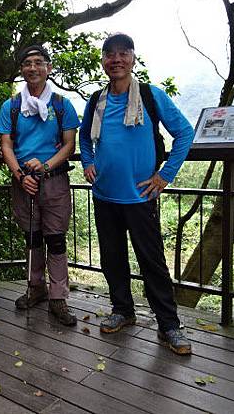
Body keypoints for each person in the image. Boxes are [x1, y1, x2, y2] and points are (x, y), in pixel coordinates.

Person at [79, 33, 195, 354]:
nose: (115, 59)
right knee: (112, 258)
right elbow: (85, 138)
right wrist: (87, 163)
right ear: (103, 61)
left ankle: (169, 325)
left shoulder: (149, 95)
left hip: (141, 197)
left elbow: (185, 132)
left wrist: (165, 175)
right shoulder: (96, 101)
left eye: (122, 53)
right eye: (109, 54)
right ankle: (123, 311)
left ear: (132, 58)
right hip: (104, 195)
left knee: (152, 261)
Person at [0, 45, 80, 326]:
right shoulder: (12, 106)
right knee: (31, 237)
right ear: (22, 69)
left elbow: (69, 145)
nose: (33, 68)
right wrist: (21, 175)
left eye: (39, 62)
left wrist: (43, 167)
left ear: (48, 68)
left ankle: (58, 296)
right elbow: (5, 145)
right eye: (28, 63)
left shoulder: (61, 104)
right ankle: (35, 287)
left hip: (53, 180)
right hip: (23, 182)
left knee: (55, 239)